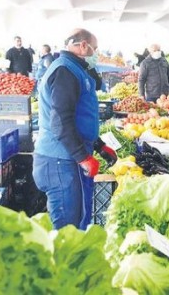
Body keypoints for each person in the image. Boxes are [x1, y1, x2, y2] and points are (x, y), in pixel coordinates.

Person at [33, 28, 118, 230]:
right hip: (61, 162)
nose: (96, 54)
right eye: (94, 49)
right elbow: (60, 121)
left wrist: (98, 145)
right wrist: (82, 157)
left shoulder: (74, 68)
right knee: (68, 231)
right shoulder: (65, 71)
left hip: (67, 159)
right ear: (82, 46)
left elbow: (78, 116)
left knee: (79, 221)